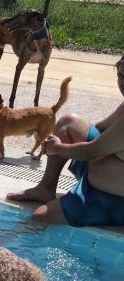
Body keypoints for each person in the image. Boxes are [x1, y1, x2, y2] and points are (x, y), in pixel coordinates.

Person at [7, 55, 124, 227]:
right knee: (68, 123)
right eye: (121, 76)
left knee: (39, 218)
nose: (123, 82)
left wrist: (57, 148)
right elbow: (100, 128)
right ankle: (45, 188)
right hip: (101, 180)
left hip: (113, 200)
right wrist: (58, 136)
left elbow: (92, 150)